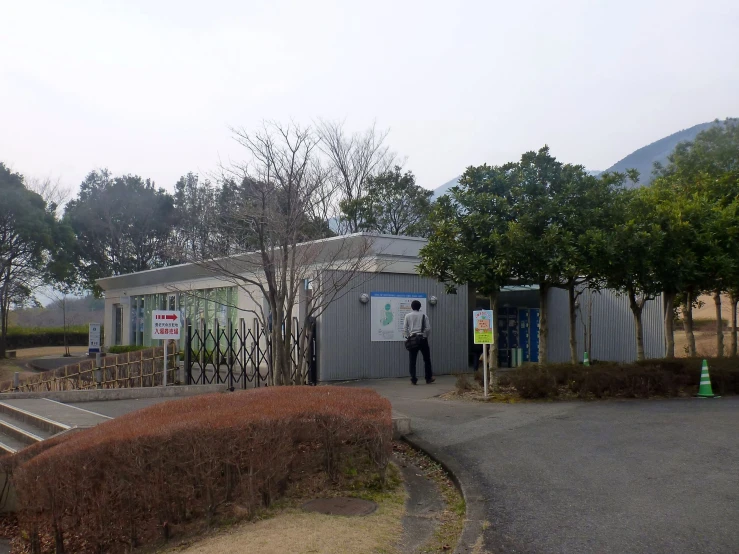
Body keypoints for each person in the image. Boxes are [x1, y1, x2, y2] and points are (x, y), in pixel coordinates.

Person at [403, 300, 434, 385]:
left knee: (412, 360)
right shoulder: (424, 315)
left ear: (412, 307)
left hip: (413, 338)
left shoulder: (407, 316)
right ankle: (428, 378)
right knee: (426, 359)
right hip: (422, 339)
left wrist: (408, 337)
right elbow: (428, 328)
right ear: (420, 307)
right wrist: (425, 336)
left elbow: (405, 328)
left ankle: (413, 379)